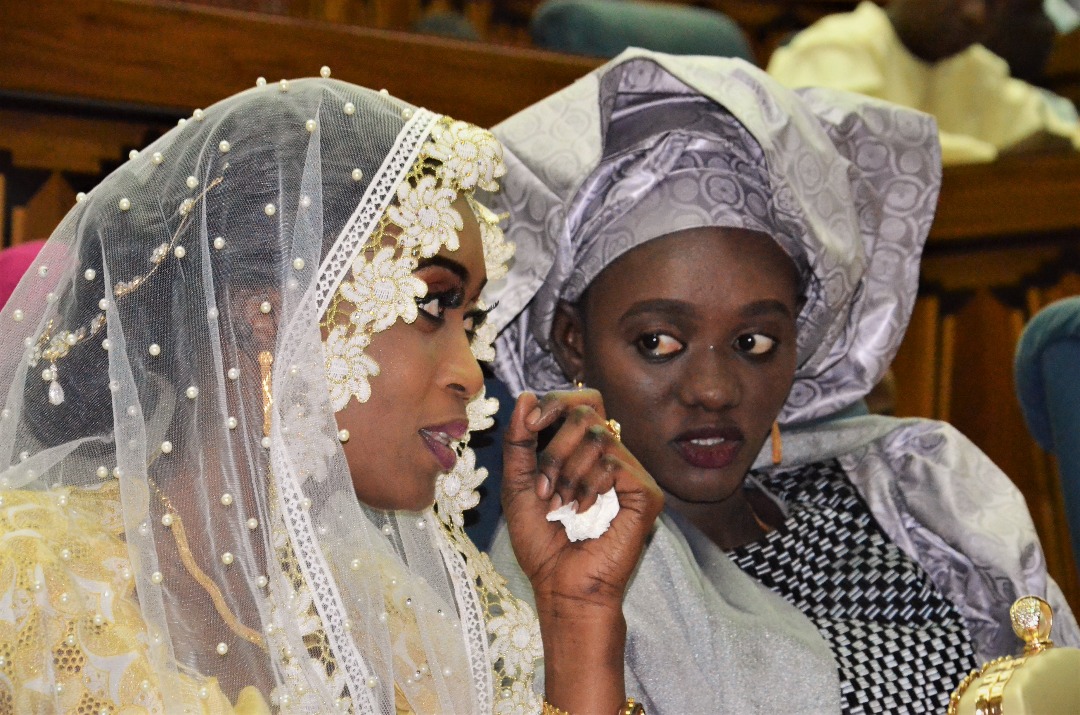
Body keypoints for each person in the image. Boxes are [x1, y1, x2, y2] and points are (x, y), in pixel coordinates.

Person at [0, 71, 663, 713]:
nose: (470, 371)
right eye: (432, 303)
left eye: (474, 323)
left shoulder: (385, 616)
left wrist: (579, 614)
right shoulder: (28, 580)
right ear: (270, 313)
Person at [482, 49, 1080, 713]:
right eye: (658, 342)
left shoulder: (918, 486)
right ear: (573, 340)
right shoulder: (565, 571)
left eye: (754, 342)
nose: (712, 388)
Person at [766, 0, 1080, 164]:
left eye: (993, 3)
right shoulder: (833, 48)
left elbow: (1055, 136)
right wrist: (996, 158)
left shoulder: (979, 71)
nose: (976, 14)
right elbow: (860, 150)